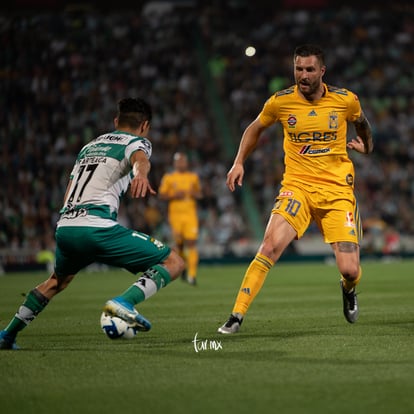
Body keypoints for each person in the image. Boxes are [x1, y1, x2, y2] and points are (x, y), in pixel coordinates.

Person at [0, 97, 185, 349]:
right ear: (145, 126)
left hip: (66, 226)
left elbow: (69, 190)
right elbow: (140, 158)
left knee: (57, 281)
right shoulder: (137, 141)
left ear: (116, 121)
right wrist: (141, 173)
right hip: (96, 226)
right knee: (174, 261)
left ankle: (7, 335)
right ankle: (124, 302)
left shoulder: (89, 146)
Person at [218, 44, 373, 334]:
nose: (303, 74)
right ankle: (236, 315)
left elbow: (361, 123)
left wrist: (367, 145)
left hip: (338, 190)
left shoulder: (345, 100)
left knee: (350, 270)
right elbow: (254, 128)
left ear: (322, 71)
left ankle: (348, 289)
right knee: (269, 246)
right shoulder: (280, 102)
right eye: (298, 68)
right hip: (297, 188)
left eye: (309, 69)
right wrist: (238, 161)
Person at [158, 152, 202, 285]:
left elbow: (200, 194)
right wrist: (174, 195)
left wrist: (194, 193)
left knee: (191, 242)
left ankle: (192, 275)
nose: (181, 163)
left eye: (183, 161)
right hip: (175, 216)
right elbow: (162, 195)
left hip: (190, 215)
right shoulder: (169, 178)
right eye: (179, 161)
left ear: (187, 163)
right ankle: (183, 268)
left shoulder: (193, 177)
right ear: (175, 163)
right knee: (179, 245)